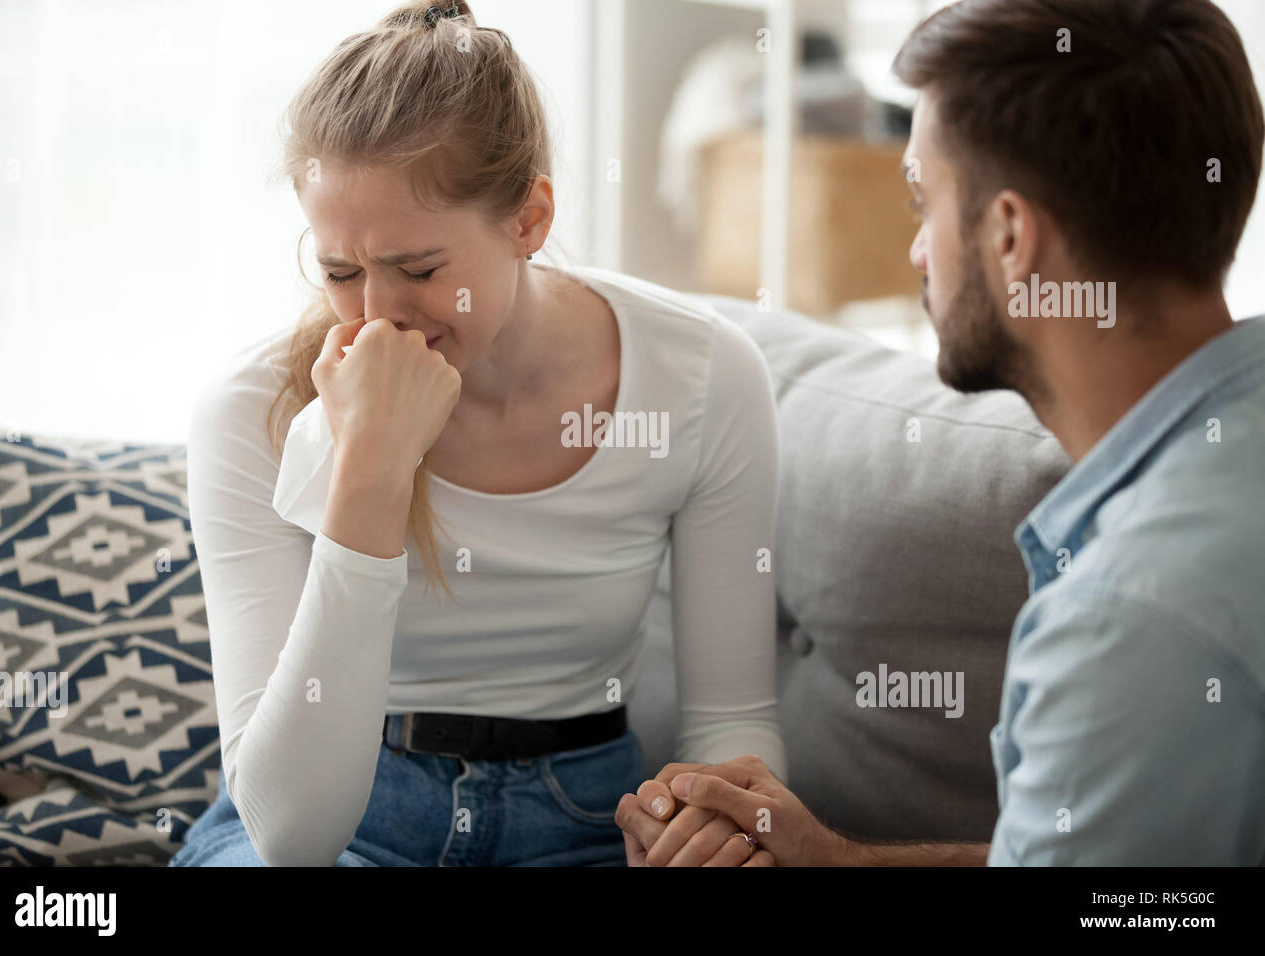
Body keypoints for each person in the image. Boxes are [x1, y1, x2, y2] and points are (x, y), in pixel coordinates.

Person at [618, 0, 1265, 866]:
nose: (918, 251)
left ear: (1008, 236)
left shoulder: (1122, 624)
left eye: (923, 200)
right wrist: (843, 862)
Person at [171, 1, 785, 867]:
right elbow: (291, 838)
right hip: (345, 813)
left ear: (530, 219)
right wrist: (370, 474)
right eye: (340, 271)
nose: (377, 315)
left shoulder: (703, 375)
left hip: (585, 822)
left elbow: (731, 720)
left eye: (419, 270)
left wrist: (715, 828)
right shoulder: (251, 410)